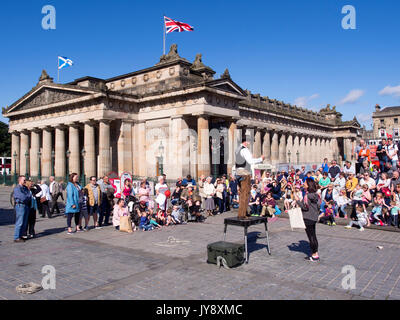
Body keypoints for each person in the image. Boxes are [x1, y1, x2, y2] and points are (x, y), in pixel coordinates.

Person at [235, 138, 265, 219]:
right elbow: (250, 161)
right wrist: (260, 159)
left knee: (242, 194)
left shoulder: (238, 149)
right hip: (245, 173)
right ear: (245, 142)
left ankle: (242, 212)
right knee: (246, 194)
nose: (249, 143)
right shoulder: (245, 150)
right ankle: (242, 214)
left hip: (238, 173)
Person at [294, 178, 321, 262]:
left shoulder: (307, 196)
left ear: (308, 185)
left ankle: (314, 255)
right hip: (314, 217)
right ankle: (316, 253)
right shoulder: (316, 194)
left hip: (308, 217)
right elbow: (318, 206)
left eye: (305, 183)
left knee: (311, 236)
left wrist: (297, 200)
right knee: (313, 235)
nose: (304, 184)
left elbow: (305, 207)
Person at [13, 176, 31, 243]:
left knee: (24, 222)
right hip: (20, 205)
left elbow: (29, 196)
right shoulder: (17, 188)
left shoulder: (25, 188)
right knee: (19, 222)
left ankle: (21, 235)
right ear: (20, 180)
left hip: (25, 205)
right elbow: (22, 197)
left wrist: (26, 196)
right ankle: (16, 237)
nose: (25, 181)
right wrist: (26, 196)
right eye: (24, 180)